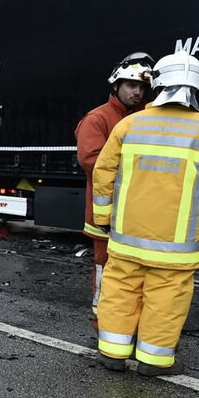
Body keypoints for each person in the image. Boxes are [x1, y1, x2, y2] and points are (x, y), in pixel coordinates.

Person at [92, 52, 199, 376]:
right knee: (166, 302)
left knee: (119, 293)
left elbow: (103, 174)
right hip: (176, 248)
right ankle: (154, 361)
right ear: (196, 86)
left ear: (157, 83)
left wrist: (103, 219)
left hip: (127, 240)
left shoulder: (129, 125)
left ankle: (112, 353)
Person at [75, 52, 153, 332]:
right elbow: (90, 160)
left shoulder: (146, 117)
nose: (138, 91)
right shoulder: (97, 119)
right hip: (105, 214)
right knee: (105, 270)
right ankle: (102, 323)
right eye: (132, 85)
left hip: (138, 214)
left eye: (142, 87)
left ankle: (132, 322)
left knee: (137, 274)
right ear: (116, 85)